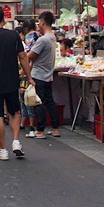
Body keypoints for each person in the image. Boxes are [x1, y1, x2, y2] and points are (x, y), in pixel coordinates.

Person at [0, 6, 33, 161]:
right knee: (14, 111)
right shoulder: (14, 35)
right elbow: (23, 57)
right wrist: (29, 77)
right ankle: (16, 141)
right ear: (3, 18)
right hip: (12, 79)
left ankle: (2, 150)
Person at [27, 11, 61, 139]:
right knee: (49, 101)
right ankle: (55, 128)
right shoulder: (52, 37)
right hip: (48, 74)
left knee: (39, 102)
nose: (38, 24)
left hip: (39, 74)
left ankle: (40, 130)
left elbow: (30, 55)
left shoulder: (43, 40)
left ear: (43, 22)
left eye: (39, 21)